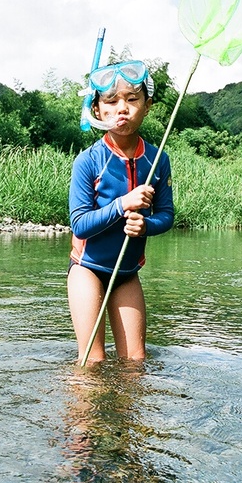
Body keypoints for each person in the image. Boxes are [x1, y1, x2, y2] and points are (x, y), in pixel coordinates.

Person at [68, 59, 174, 364]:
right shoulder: (88, 161)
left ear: (147, 105)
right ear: (97, 110)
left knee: (135, 363)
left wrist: (147, 226)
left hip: (127, 274)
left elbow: (166, 214)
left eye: (131, 99)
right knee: (93, 362)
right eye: (111, 102)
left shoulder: (157, 159)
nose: (121, 109)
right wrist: (122, 205)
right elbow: (80, 225)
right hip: (87, 270)